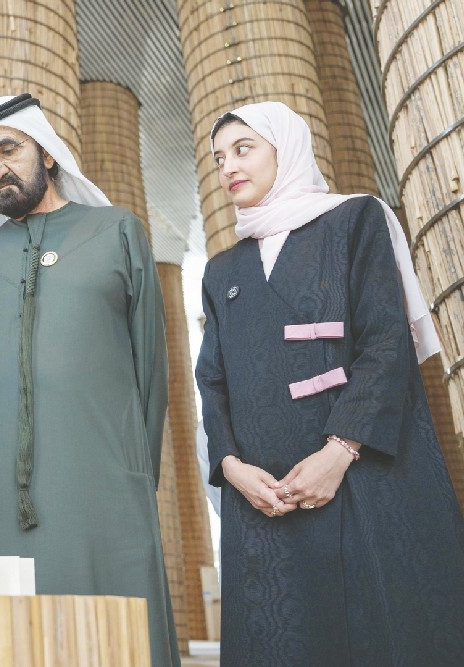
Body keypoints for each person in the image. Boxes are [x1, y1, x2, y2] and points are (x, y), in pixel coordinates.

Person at [197, 100, 464, 665]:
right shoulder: (221, 269)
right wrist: (231, 467)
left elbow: (386, 341)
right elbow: (212, 379)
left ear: (286, 150)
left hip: (356, 471)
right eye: (219, 158)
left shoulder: (354, 220)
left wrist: (339, 452)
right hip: (262, 495)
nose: (228, 167)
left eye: (243, 149)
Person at [0, 94, 178, 667]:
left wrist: (135, 473)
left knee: (116, 640)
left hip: (106, 483)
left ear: (48, 154)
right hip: (0, 499)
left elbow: (151, 366)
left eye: (8, 149)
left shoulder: (116, 230)